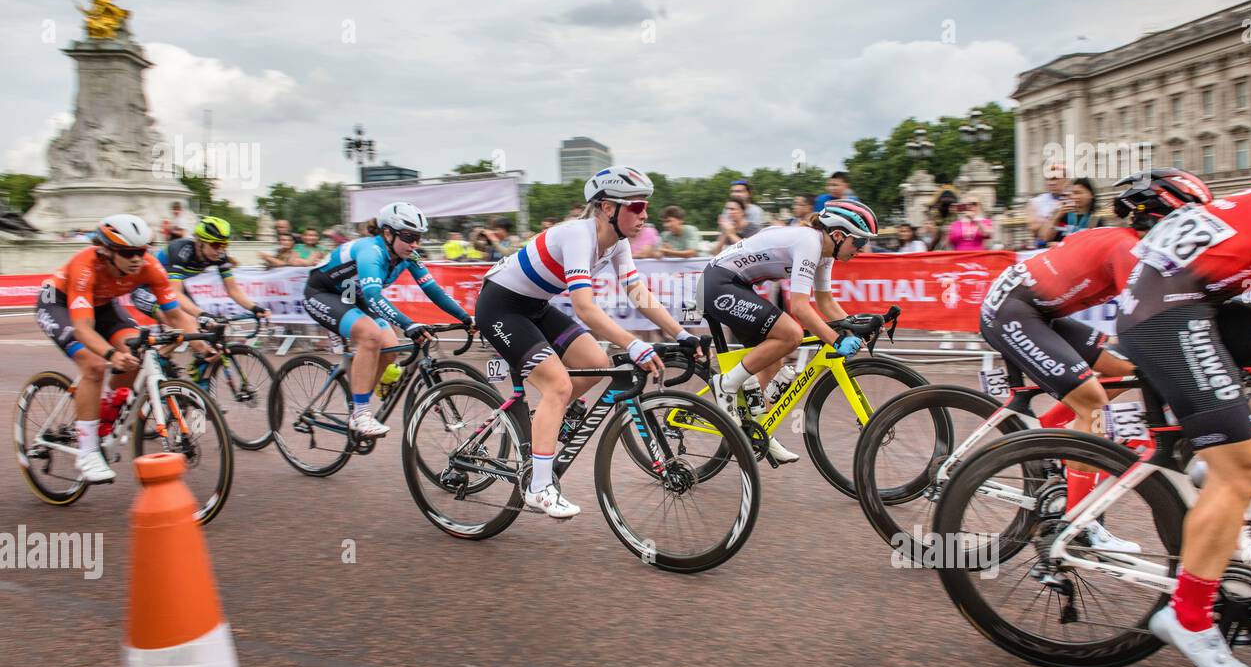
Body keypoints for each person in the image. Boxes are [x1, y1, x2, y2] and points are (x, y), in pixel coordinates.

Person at [1116, 177, 1251, 667]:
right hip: (1172, 311)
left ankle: (1225, 455)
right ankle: (1190, 617)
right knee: (1242, 476)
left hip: (1186, 296)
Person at [980, 169, 1213, 550]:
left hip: (1034, 310)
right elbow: (1156, 318)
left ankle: (1051, 441)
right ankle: (1080, 524)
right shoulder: (1129, 251)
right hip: (1014, 311)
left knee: (1125, 368)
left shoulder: (1124, 241)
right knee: (1093, 404)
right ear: (1164, 220)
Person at [478, 166, 700, 519]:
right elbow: (584, 307)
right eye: (636, 207)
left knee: (598, 363)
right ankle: (538, 488)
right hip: (500, 307)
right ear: (607, 208)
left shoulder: (618, 244)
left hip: (535, 307)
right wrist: (633, 343)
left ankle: (544, 423)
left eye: (645, 207)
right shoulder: (579, 236)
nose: (644, 214)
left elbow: (638, 293)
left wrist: (681, 333)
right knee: (558, 384)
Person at [35, 214, 211, 483]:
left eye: (141, 251)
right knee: (94, 365)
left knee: (135, 353)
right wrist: (110, 355)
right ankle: (87, 453)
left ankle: (104, 413)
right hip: (58, 303)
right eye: (128, 253)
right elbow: (83, 329)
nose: (136, 259)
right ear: (107, 251)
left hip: (103, 304)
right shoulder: (86, 266)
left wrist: (201, 345)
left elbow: (175, 315)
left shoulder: (150, 266)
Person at [701, 199, 878, 464]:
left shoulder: (825, 253)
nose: (861, 251)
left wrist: (854, 328)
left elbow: (825, 303)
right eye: (859, 243)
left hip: (737, 285)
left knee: (775, 359)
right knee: (791, 335)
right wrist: (836, 339)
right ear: (839, 235)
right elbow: (800, 307)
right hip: (718, 283)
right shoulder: (809, 242)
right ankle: (725, 385)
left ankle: (759, 432)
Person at [303, 202, 473, 439]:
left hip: (352, 295)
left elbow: (433, 290)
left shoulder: (409, 256)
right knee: (371, 337)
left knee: (391, 346)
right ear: (387, 233)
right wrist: (409, 324)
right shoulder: (371, 251)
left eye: (418, 238)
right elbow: (373, 295)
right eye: (408, 236)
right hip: (324, 293)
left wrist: (466, 318)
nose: (414, 244)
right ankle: (361, 414)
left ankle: (359, 401)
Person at [131, 215, 270, 329]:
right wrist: (201, 313)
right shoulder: (180, 250)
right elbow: (176, 293)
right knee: (184, 323)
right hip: (145, 288)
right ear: (200, 242)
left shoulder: (219, 256)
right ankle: (158, 358)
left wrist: (255, 308)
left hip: (168, 288)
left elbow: (232, 289)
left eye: (224, 245)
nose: (220, 250)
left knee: (205, 329)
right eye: (215, 245)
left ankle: (171, 358)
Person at [1029, 165, 1068, 247]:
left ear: (1066, 179)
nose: (1051, 183)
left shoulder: (1074, 199)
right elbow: (1035, 230)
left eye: (1055, 179)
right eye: (1048, 179)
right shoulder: (1036, 202)